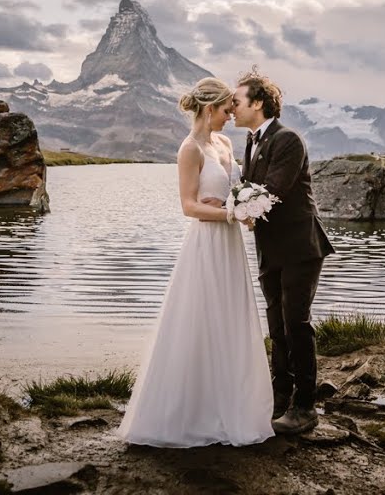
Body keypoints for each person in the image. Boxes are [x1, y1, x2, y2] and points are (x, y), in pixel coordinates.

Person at [117, 77, 274, 448]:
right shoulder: (190, 149)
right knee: (199, 320)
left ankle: (230, 407)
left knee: (229, 320)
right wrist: (232, 215)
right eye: (225, 109)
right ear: (209, 110)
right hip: (206, 245)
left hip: (230, 245)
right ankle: (191, 413)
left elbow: (231, 191)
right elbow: (189, 206)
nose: (230, 114)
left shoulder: (223, 142)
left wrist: (242, 206)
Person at [230, 68, 334, 435]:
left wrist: (233, 210)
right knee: (277, 325)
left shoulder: (288, 139)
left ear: (257, 103)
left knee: (296, 322)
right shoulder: (250, 140)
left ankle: (305, 406)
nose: (232, 107)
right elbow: (249, 188)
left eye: (237, 101)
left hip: (300, 247)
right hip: (270, 248)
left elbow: (271, 192)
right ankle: (278, 397)